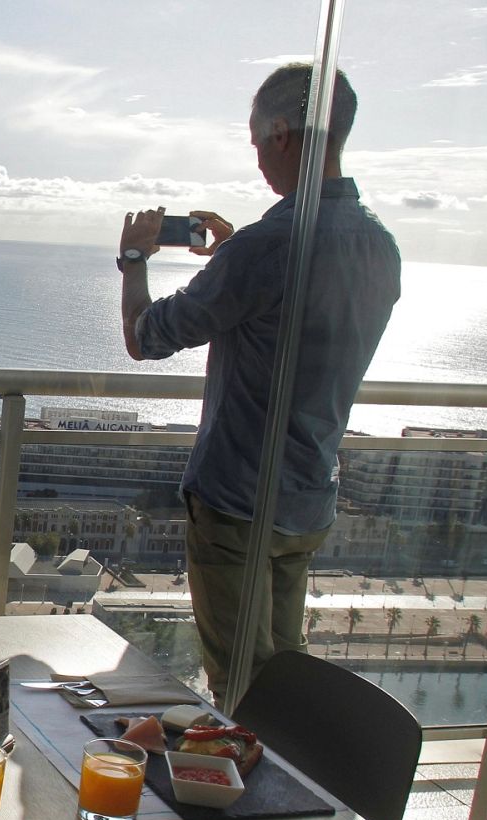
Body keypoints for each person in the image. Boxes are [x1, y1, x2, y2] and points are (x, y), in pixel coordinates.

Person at [116, 63, 401, 704]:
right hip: (308, 495)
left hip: (238, 500)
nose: (258, 158)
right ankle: (290, 764)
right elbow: (296, 328)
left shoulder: (266, 246)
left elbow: (146, 337)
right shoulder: (379, 245)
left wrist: (134, 258)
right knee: (284, 673)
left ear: (280, 133)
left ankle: (253, 770)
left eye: (255, 141)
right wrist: (232, 259)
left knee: (240, 685)